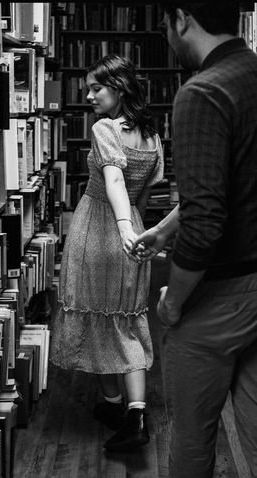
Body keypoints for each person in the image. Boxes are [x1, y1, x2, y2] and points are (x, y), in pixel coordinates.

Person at [125, 2, 257, 478]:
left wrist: (173, 301)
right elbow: (236, 184)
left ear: (180, 18)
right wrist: (165, 233)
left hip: (223, 294)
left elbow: (206, 219)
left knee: (193, 426)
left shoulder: (201, 93)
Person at [50, 54, 164, 452]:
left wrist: (119, 228)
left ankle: (114, 405)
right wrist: (135, 231)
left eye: (96, 87)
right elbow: (144, 195)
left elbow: (113, 178)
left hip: (97, 229)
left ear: (119, 87)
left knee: (93, 315)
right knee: (128, 320)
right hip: (134, 231)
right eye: (87, 87)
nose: (89, 95)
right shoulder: (152, 138)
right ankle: (135, 414)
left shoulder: (105, 129)